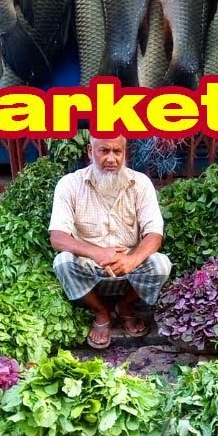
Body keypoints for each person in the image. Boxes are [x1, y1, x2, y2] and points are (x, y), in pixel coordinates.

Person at [48, 135, 172, 350]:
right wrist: (97, 253)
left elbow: (154, 233)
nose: (111, 159)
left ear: (125, 153)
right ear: (90, 151)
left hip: (130, 271)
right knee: (63, 262)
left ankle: (125, 307)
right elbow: (57, 237)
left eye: (117, 152)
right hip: (89, 270)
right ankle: (101, 311)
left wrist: (132, 260)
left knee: (161, 264)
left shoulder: (140, 183)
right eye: (104, 151)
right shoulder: (69, 184)